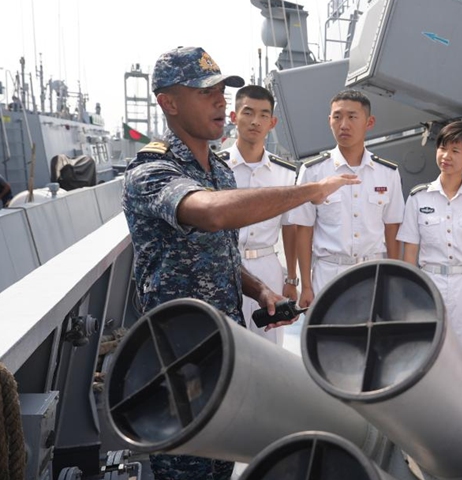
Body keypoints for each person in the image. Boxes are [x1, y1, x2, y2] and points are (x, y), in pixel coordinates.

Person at [122, 46, 358, 480]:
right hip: (180, 363)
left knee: (223, 463)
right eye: (203, 92)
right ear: (168, 103)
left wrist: (259, 289)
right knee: (188, 469)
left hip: (224, 349)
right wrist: (309, 190)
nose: (218, 101)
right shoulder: (150, 172)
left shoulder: (219, 170)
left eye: (219, 90)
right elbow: (213, 213)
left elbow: (223, 252)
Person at [290, 90, 404, 307]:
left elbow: (392, 228)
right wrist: (305, 284)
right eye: (337, 117)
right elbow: (303, 229)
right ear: (329, 121)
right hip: (328, 274)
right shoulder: (313, 171)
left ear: (369, 122)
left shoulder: (387, 172)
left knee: (372, 339)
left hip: (374, 272)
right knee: (327, 338)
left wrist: (394, 279)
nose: (343, 124)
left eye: (352, 117)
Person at [397, 121, 462, 363]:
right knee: (424, 354)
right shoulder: (419, 197)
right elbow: (410, 252)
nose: (445, 156)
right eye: (442, 148)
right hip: (428, 282)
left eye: (455, 151)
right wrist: (409, 296)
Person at [221, 85, 298, 347]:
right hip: (225, 266)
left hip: (268, 265)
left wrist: (291, 279)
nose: (255, 121)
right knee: (226, 341)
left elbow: (290, 227)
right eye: (248, 112)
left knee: (269, 342)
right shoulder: (216, 166)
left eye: (264, 115)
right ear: (233, 117)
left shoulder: (284, 173)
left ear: (272, 122)